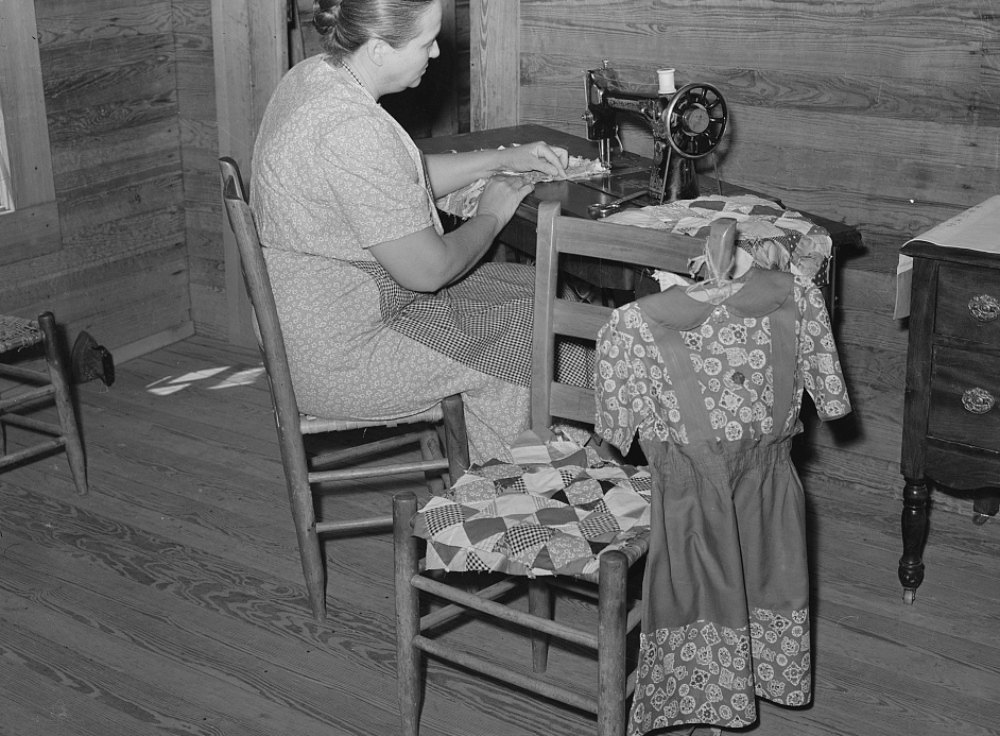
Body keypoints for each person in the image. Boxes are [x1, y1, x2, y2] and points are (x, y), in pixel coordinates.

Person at [250, 0, 570, 463]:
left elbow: (394, 183)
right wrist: (493, 214)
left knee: (539, 292)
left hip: (319, 323)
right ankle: (511, 504)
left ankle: (545, 466)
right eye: (426, 42)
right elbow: (430, 271)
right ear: (379, 48)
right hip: (340, 358)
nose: (436, 53)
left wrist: (504, 157)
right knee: (529, 340)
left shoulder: (316, 74)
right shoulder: (351, 129)